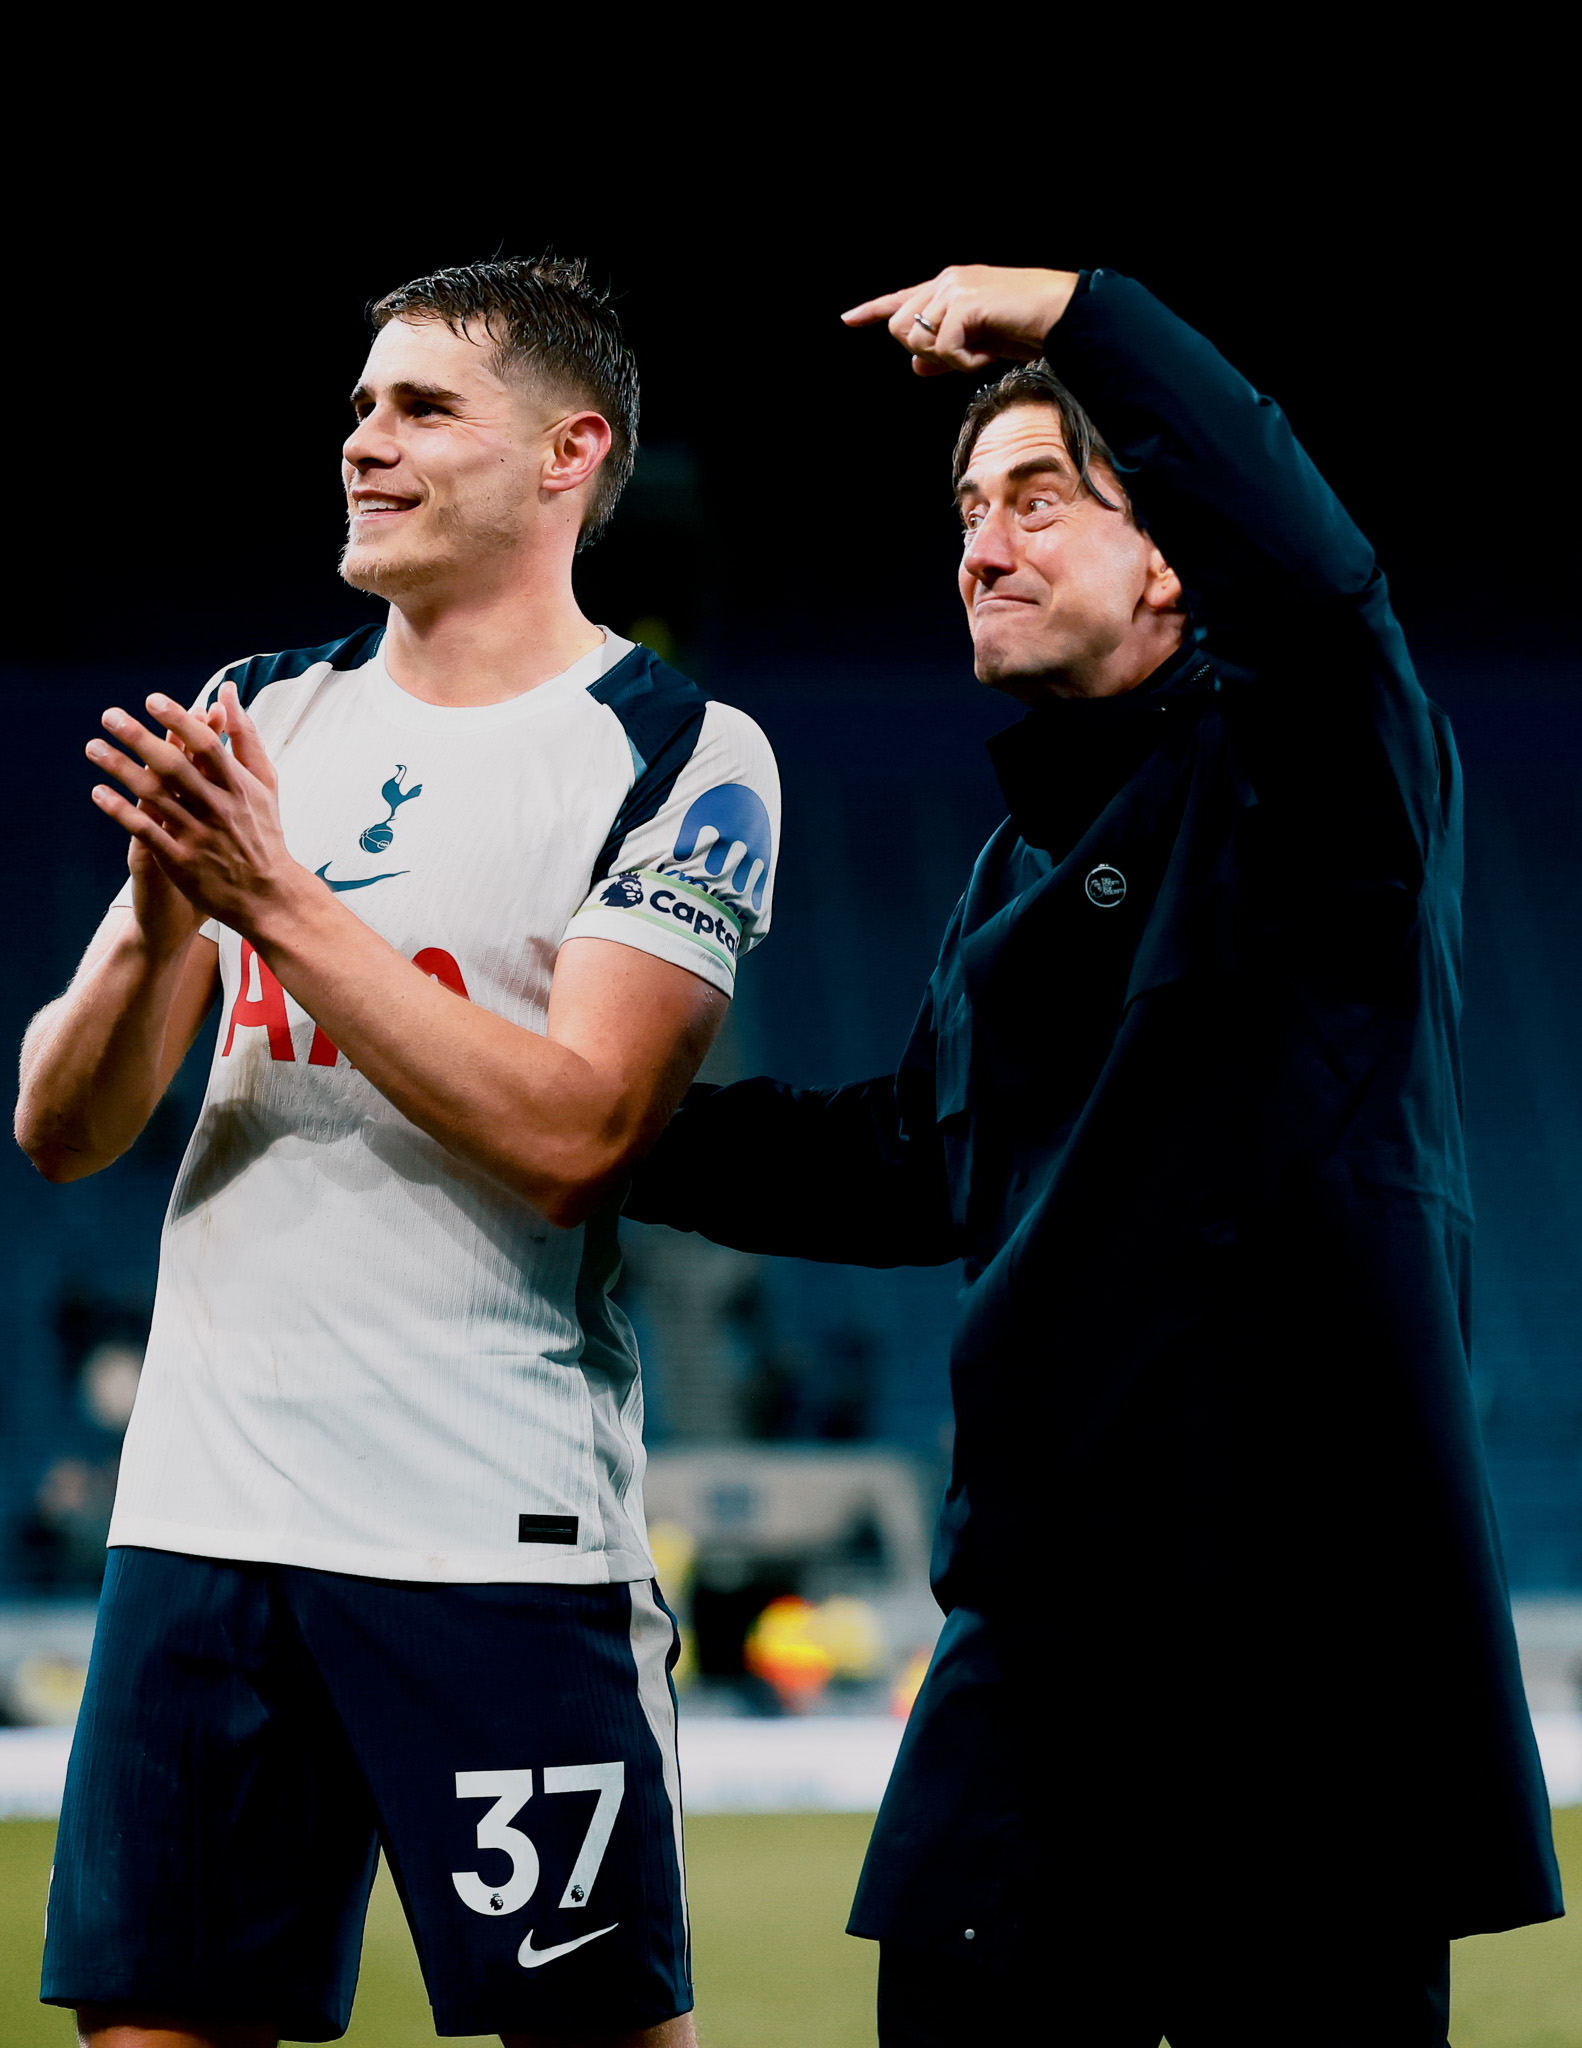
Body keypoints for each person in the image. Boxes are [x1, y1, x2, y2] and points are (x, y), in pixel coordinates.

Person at [623, 265, 1563, 2045]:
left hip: (1301, 1667)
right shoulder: (1013, 871)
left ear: (1172, 559)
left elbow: (1322, 586)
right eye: (965, 513)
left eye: (1039, 499)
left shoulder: (1314, 777)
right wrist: (598, 1130)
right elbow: (910, 1161)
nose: (980, 547)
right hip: (1038, 1659)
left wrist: (1081, 310)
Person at [17, 254, 780, 2048]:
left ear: (568, 452)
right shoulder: (258, 714)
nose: (365, 441)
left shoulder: (680, 750)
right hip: (199, 1518)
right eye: (361, 406)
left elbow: (581, 1131)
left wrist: (274, 903)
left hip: (489, 1531)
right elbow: (61, 1128)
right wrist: (156, 926)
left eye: (423, 407)